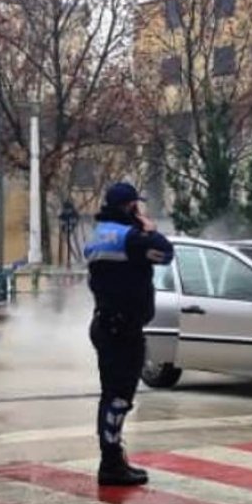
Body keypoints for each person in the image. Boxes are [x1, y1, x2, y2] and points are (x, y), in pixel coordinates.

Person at [83, 182, 174, 485]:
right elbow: (166, 253)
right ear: (131, 207)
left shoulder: (99, 236)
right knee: (119, 397)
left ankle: (111, 458)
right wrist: (148, 229)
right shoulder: (132, 238)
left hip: (106, 323)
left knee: (111, 396)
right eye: (138, 205)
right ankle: (111, 465)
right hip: (123, 329)